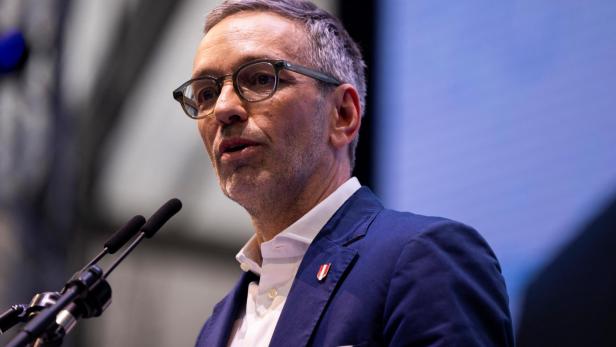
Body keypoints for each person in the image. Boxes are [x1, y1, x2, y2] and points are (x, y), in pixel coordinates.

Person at [172, 0, 514, 346]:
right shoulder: (216, 328)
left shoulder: (423, 258)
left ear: (343, 114)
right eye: (206, 93)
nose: (224, 109)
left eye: (261, 78)